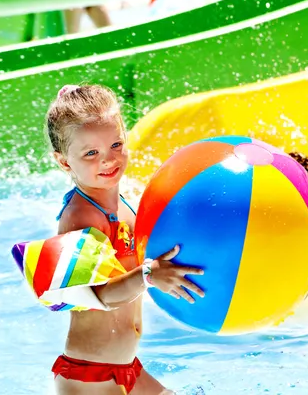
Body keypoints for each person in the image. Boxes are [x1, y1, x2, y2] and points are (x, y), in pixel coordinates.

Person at [45, 84, 205, 394]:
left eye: (116, 144)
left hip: (128, 368)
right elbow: (99, 295)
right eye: (91, 153)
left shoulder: (127, 208)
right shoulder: (80, 218)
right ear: (65, 162)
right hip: (88, 376)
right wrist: (149, 275)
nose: (108, 159)